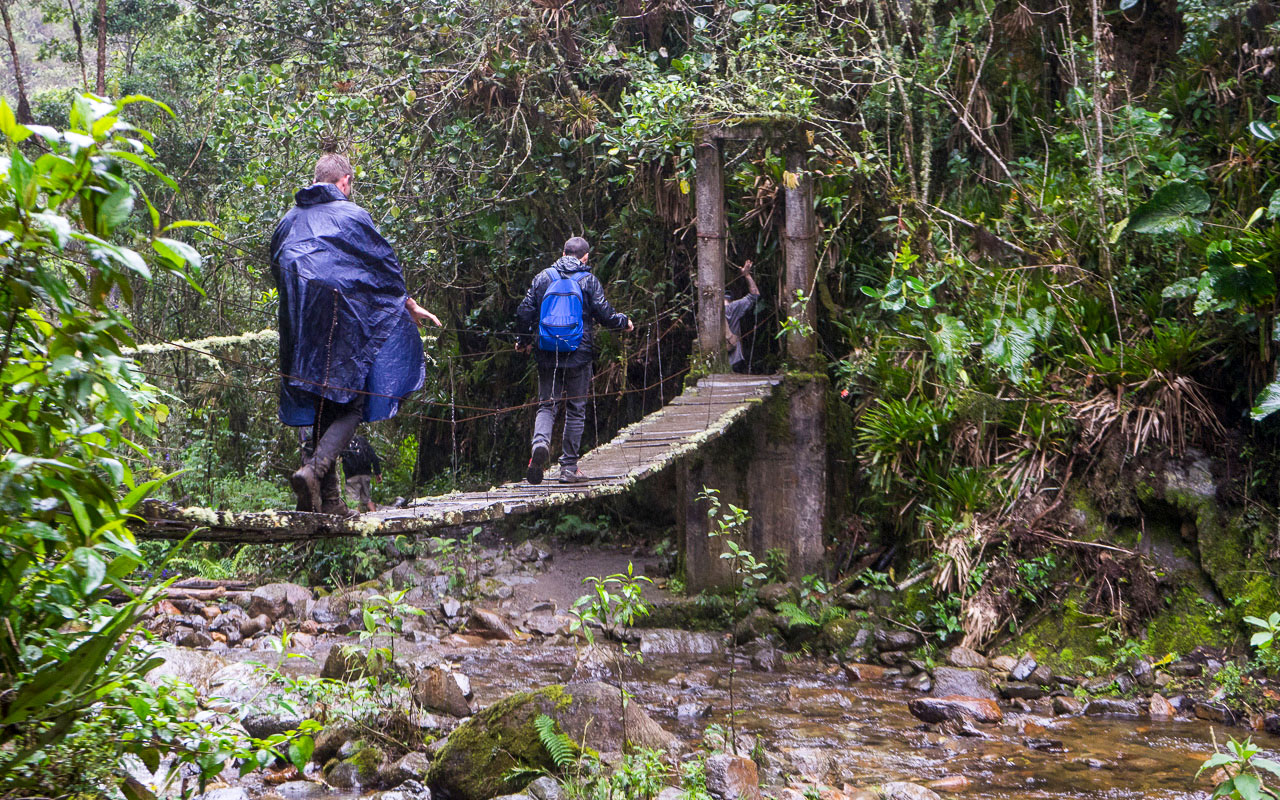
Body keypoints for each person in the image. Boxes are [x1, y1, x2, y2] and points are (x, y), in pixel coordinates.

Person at [272, 153, 441, 516]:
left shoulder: (288, 220)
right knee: (353, 400)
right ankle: (315, 470)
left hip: (300, 324)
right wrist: (407, 304)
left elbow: (277, 264)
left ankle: (330, 501)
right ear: (344, 182)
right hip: (344, 321)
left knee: (320, 402)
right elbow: (382, 268)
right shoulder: (352, 215)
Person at [515, 236, 633, 484]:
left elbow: (524, 311)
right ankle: (569, 468)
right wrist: (624, 322)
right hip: (579, 354)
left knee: (547, 405)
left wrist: (524, 340)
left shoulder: (543, 277)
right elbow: (605, 313)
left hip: (547, 352)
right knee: (576, 409)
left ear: (562, 252)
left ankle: (540, 444)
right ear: (585, 257)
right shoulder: (588, 280)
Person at [724, 259, 760, 374]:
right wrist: (747, 275)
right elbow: (754, 295)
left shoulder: (710, 309)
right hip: (733, 356)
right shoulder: (734, 307)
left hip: (717, 357)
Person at [341, 434, 382, 513]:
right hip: (365, 474)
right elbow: (374, 457)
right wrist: (378, 473)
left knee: (353, 501)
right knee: (367, 499)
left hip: (351, 476)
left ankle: (355, 521)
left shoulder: (344, 441)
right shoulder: (362, 441)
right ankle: (376, 517)